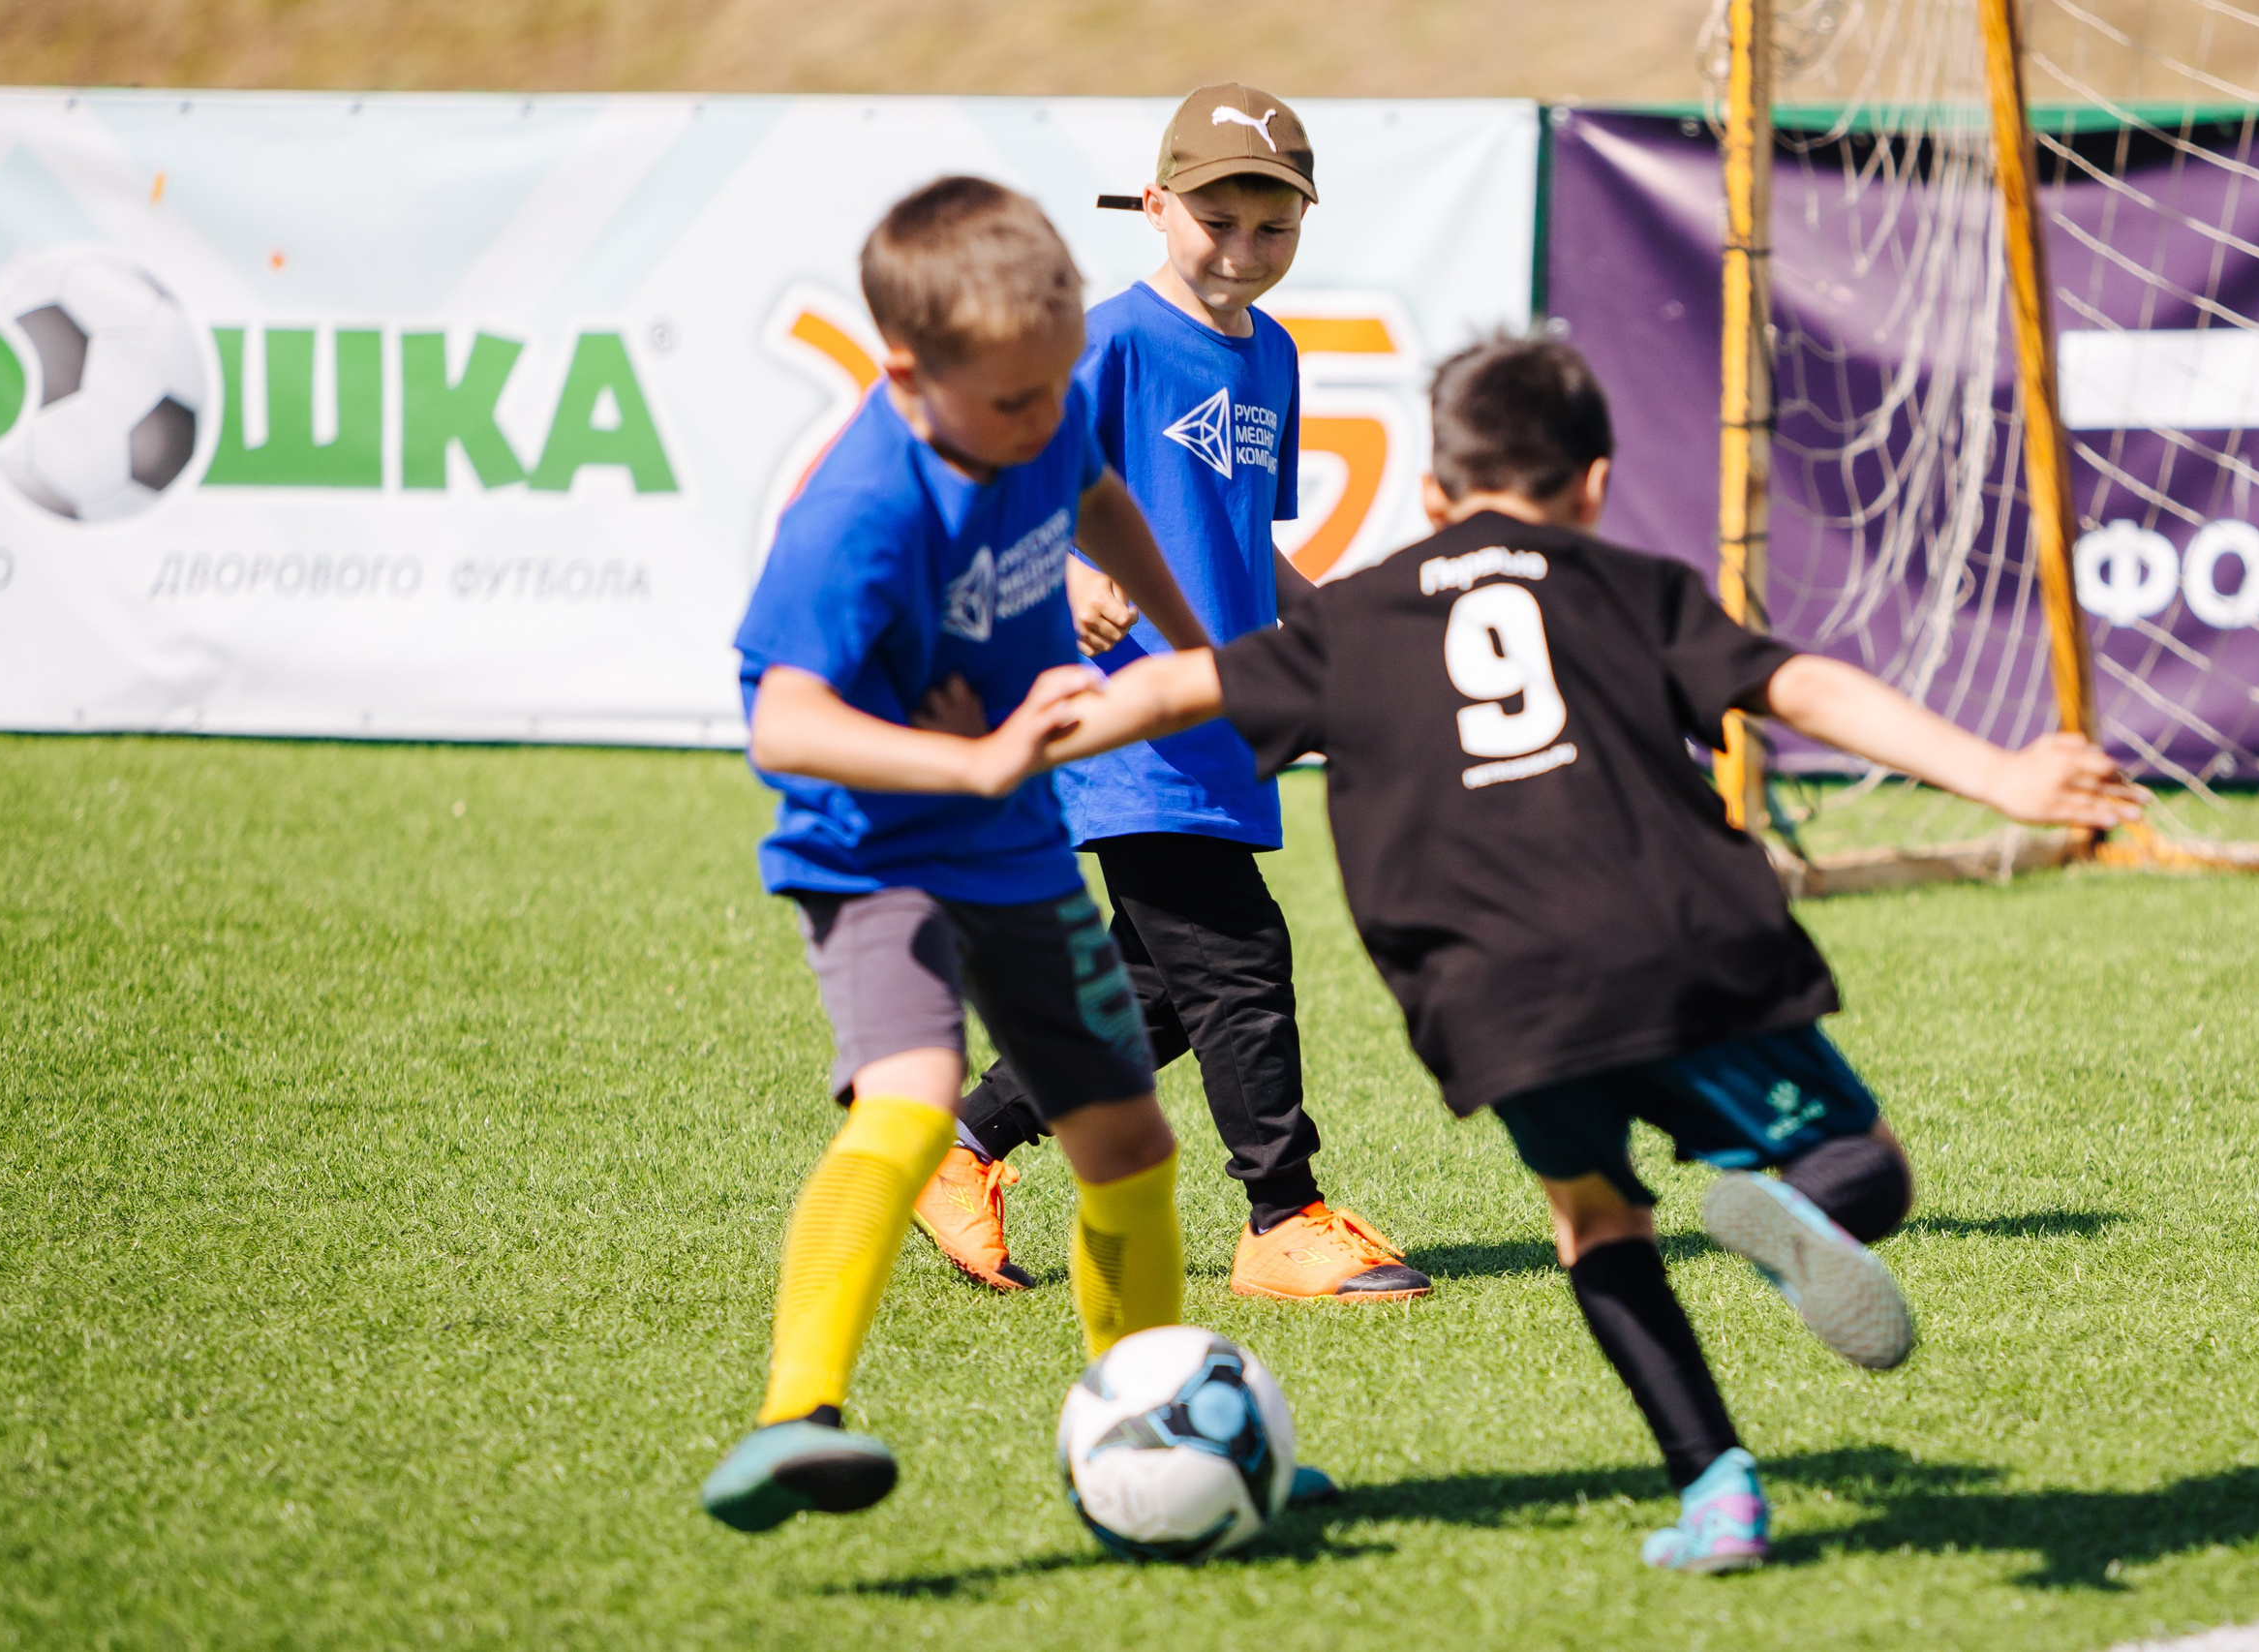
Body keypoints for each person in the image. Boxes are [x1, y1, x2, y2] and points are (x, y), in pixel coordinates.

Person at [1022, 334, 2147, 1570]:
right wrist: (1998, 772)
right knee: (1865, 1171)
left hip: (1492, 994)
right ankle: (1786, 1202)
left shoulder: (1352, 619)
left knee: (1594, 1224)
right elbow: (1798, 685)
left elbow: (1180, 691)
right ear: (1595, 486)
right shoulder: (1628, 582)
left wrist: (1019, 739)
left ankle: (1718, 1491)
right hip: (1680, 939)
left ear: (1432, 498)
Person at [697, 175, 1218, 1533]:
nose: (1046, 421)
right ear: (907, 372)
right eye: (1013, 403)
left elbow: (1095, 491)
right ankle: (794, 1418)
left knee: (1129, 1139)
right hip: (876, 852)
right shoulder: (860, 508)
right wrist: (974, 759)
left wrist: (1190, 640)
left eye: (1059, 390)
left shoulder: (1037, 401)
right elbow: (785, 719)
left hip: (1018, 844)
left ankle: (1149, 1433)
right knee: (916, 1092)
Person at [913, 83, 1433, 1306]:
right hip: (1124, 722)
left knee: (1155, 988)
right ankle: (1281, 1216)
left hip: (1224, 722)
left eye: (1274, 225)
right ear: (1155, 206)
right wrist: (1070, 581)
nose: (1244, 249)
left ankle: (962, 1150)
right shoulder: (1105, 343)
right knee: (1240, 952)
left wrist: (1346, 634)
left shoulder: (1277, 355)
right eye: (1216, 218)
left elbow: (1246, 547)